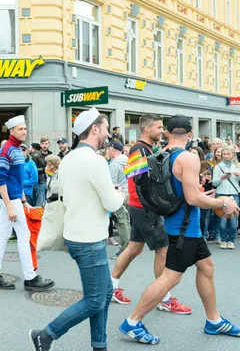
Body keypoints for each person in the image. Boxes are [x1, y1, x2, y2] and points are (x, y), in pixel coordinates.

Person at [119, 115, 240, 345]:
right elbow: (193, 198)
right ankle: (133, 321)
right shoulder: (188, 157)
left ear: (167, 132)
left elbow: (178, 193)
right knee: (170, 278)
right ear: (190, 133)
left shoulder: (160, 154)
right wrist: (223, 202)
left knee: (206, 266)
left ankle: (214, 320)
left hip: (178, 222)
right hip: (184, 228)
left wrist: (199, 197)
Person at [29, 108, 123, 351]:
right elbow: (112, 203)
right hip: (90, 238)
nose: (107, 134)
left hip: (77, 235)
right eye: (104, 128)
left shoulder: (69, 158)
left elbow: (80, 192)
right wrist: (119, 193)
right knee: (95, 299)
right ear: (94, 129)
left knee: (104, 293)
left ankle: (99, 345)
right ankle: (46, 334)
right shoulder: (95, 161)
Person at [109, 114, 192, 315]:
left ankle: (111, 287)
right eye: (159, 127)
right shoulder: (139, 149)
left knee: (134, 249)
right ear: (147, 129)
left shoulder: (144, 148)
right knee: (162, 249)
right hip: (144, 208)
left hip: (141, 207)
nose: (162, 131)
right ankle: (164, 298)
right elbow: (139, 180)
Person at [0, 115, 54, 292]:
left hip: (14, 198)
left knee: (3, 235)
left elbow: (17, 179)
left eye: (25, 128)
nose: (24, 131)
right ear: (12, 131)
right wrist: (10, 206)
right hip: (10, 198)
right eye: (20, 129)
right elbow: (0, 179)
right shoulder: (7, 150)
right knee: (23, 235)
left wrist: (24, 201)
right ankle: (30, 278)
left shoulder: (16, 149)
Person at [212, 144, 240, 249]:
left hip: (234, 194)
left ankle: (231, 240)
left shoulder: (238, 166)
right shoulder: (217, 167)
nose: (226, 156)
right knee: (222, 219)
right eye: (224, 154)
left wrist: (238, 175)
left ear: (233, 154)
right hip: (221, 194)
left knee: (233, 219)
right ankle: (223, 239)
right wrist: (222, 178)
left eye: (228, 154)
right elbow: (214, 183)